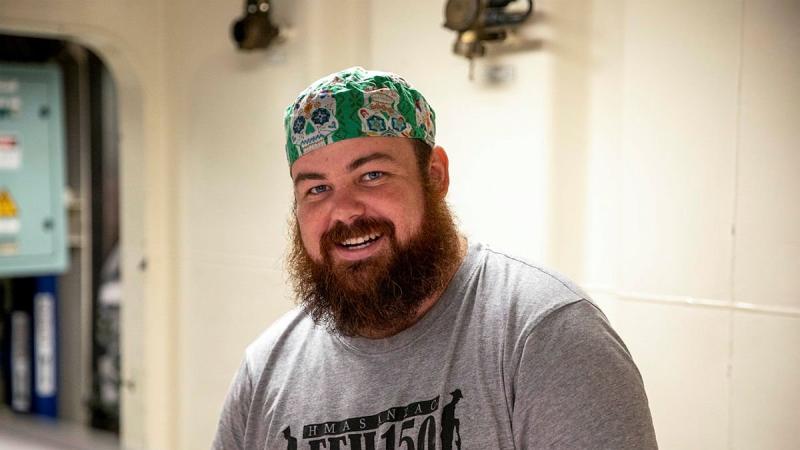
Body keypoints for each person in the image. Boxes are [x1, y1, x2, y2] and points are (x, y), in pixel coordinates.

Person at [213, 67, 657, 449]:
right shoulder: (266, 372)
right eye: (317, 189)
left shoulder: (543, 335)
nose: (344, 210)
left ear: (435, 176)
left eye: (372, 175)